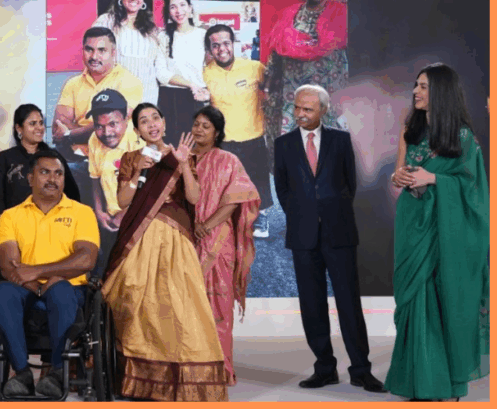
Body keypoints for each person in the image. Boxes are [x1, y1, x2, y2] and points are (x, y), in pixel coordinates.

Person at [103, 102, 227, 401]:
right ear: (137, 131)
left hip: (175, 238)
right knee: (134, 297)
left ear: (164, 123)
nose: (151, 124)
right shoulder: (132, 158)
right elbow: (122, 202)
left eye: (155, 118)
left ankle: (181, 381)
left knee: (179, 306)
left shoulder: (182, 155)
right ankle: (140, 381)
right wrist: (137, 173)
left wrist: (183, 163)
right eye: (144, 121)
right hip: (140, 239)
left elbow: (194, 198)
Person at [385, 63, 488, 401]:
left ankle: (443, 384)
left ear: (441, 92)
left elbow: (475, 191)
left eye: (424, 87)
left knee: (441, 299)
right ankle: (415, 382)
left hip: (445, 230)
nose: (415, 91)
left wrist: (435, 179)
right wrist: (397, 177)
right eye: (416, 85)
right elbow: (400, 172)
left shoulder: (461, 137)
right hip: (412, 223)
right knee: (412, 299)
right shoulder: (410, 130)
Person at [273, 84, 385, 393]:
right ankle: (324, 369)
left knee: (349, 303)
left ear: (323, 110)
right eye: (296, 108)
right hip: (303, 234)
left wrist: (329, 212)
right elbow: (282, 188)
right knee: (312, 305)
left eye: (307, 109)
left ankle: (361, 370)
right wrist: (302, 214)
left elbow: (350, 184)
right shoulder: (283, 144)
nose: (300, 114)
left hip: (339, 232)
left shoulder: (340, 140)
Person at [0, 148, 100, 398]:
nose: (52, 179)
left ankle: (56, 373)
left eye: (58, 174)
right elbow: (9, 266)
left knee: (60, 289)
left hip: (69, 290)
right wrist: (38, 285)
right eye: (45, 172)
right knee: (3, 293)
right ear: (30, 178)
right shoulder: (11, 216)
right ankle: (22, 373)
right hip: (24, 289)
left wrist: (39, 272)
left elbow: (87, 259)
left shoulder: (82, 213)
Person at [191, 106, 261, 385]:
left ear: (217, 133)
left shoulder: (228, 160)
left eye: (205, 126)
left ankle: (221, 367)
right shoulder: (183, 159)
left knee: (219, 305)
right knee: (191, 304)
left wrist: (207, 225)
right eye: (196, 124)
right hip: (188, 239)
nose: (198, 130)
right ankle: (193, 368)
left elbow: (235, 199)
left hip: (217, 238)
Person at [203, 24, 274, 238]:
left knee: (258, 179)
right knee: (227, 182)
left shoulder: (254, 67)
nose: (221, 49)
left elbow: (272, 84)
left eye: (225, 43)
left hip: (253, 134)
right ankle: (230, 216)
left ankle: (261, 216)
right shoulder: (205, 73)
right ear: (210, 49)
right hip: (224, 139)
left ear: (233, 43)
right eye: (215, 45)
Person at [263, 0, 348, 140]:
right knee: (294, 149)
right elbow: (275, 56)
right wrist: (267, 89)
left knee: (328, 148)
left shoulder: (342, 14)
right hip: (292, 98)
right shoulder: (288, 15)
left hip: (329, 99)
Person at [52, 27, 143, 153]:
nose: (94, 56)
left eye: (101, 50)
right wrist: (85, 132)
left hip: (112, 157)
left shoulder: (128, 81)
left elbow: (110, 131)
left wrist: (70, 134)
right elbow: (58, 126)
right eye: (89, 49)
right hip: (75, 153)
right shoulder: (72, 83)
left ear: (113, 53)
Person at [0, 104, 80, 224]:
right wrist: (9, 230)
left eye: (41, 123)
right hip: (17, 231)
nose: (39, 128)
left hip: (53, 230)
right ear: (19, 128)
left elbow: (73, 195)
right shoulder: (5, 158)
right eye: (32, 124)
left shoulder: (54, 158)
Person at [86, 89, 143, 274]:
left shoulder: (139, 141)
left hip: (139, 220)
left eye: (113, 124)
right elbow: (94, 178)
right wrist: (99, 210)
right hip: (110, 219)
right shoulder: (94, 139)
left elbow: (147, 187)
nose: (106, 132)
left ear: (126, 118)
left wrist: (124, 215)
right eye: (99, 125)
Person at [156, 0, 210, 147]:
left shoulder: (203, 35)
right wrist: (190, 84)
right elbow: (161, 73)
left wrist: (202, 90)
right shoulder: (163, 37)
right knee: (171, 148)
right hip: (169, 99)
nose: (178, 11)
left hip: (197, 99)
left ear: (190, 8)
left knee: (197, 147)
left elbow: (209, 68)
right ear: (168, 12)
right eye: (173, 7)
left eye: (182, 5)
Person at [93, 0, 161, 105]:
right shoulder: (106, 21)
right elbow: (93, 52)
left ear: (143, 0)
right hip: (115, 92)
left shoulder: (152, 29)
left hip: (147, 94)